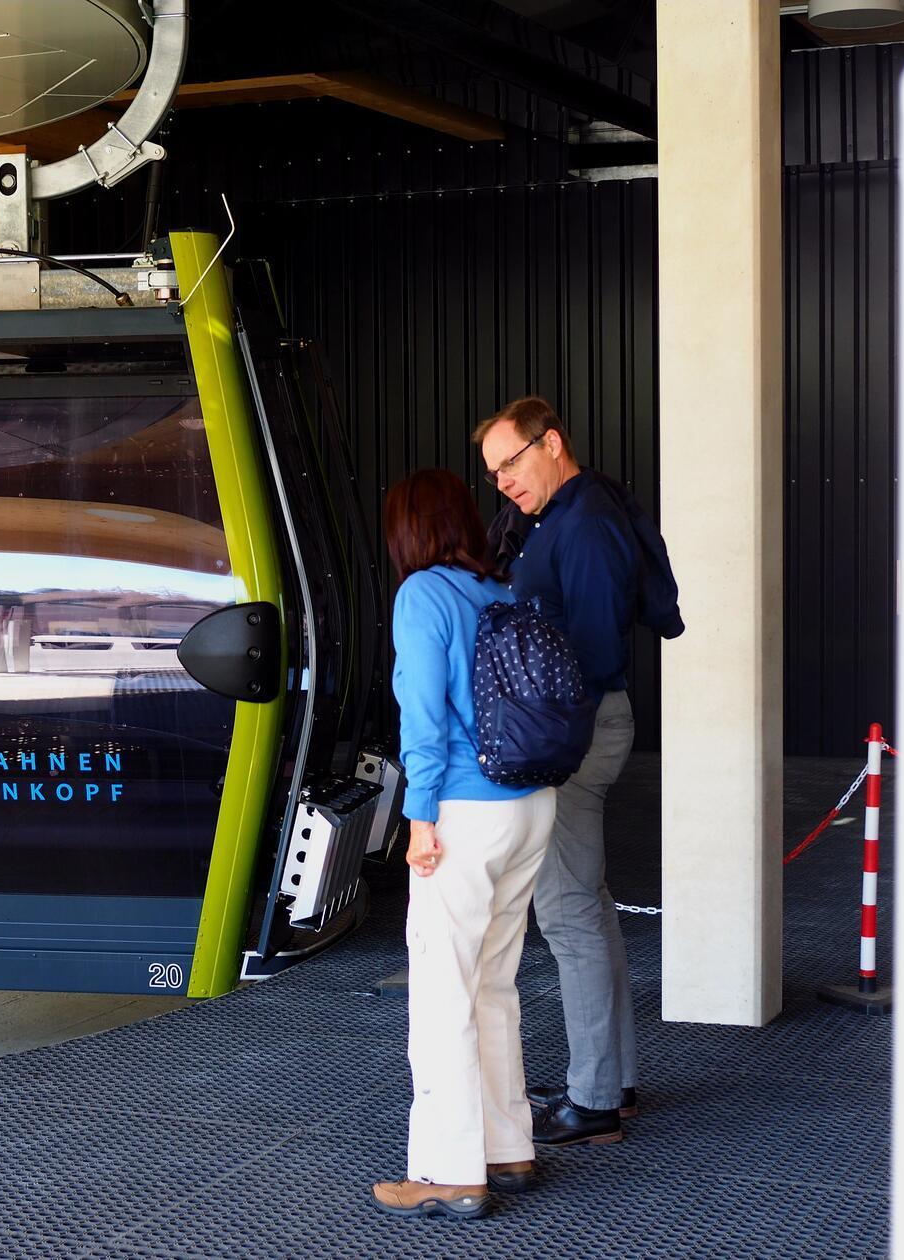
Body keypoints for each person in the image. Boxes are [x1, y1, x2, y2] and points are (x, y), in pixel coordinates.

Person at [475, 395, 679, 1148]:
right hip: (583, 727)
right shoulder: (562, 516)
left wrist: (548, 750)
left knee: (565, 911)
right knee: (585, 904)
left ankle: (593, 1098)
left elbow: (591, 655)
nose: (501, 481)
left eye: (511, 462)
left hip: (578, 732)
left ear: (550, 441)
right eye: (492, 471)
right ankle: (612, 1082)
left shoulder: (584, 522)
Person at [371, 469, 558, 1221]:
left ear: (407, 531)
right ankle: (509, 1146)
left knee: (443, 992)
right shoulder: (500, 592)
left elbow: (422, 719)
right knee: (493, 983)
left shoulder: (422, 596)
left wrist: (418, 821)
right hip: (530, 803)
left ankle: (449, 1170)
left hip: (464, 813)